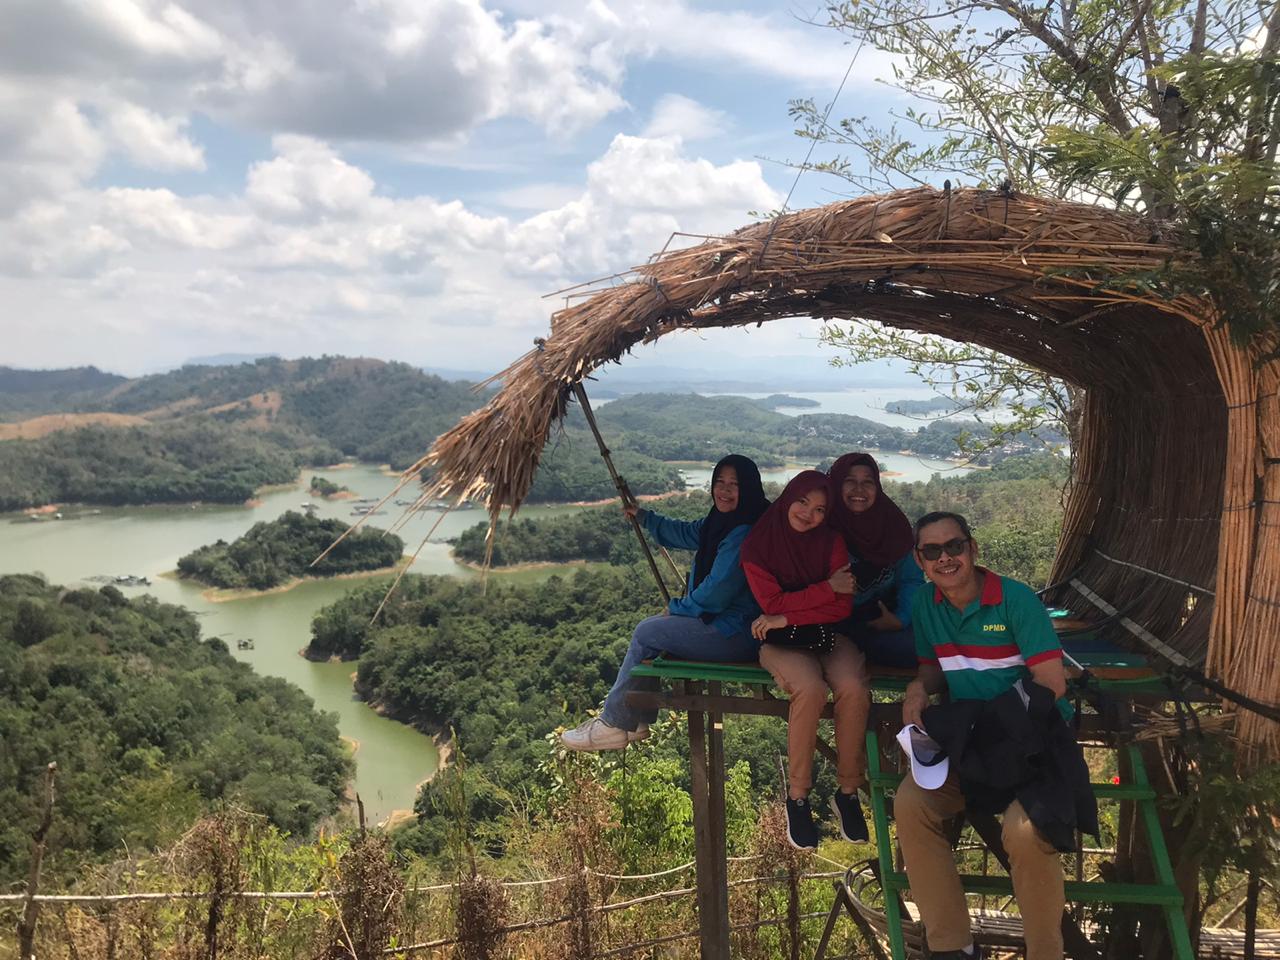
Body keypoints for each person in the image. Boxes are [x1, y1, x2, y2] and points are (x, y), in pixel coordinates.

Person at [897, 511, 1078, 960]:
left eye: (954, 546)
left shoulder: (1015, 600)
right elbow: (934, 667)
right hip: (972, 746)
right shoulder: (926, 605)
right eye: (932, 551)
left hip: (1033, 741)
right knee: (912, 804)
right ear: (920, 560)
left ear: (972, 549)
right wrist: (919, 689)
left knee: (1025, 832)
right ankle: (950, 946)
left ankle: (1045, 952)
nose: (945, 559)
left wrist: (989, 726)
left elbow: (1052, 683)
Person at [561, 455, 770, 751]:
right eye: (719, 482)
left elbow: (717, 592)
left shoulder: (744, 532)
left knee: (648, 632)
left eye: (734, 485)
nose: (724, 490)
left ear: (748, 488)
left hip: (736, 633)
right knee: (654, 631)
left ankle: (614, 723)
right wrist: (646, 518)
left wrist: (676, 608)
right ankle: (634, 722)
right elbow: (687, 532)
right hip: (726, 626)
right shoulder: (722, 522)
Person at [740, 470, 868, 849]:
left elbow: (842, 608)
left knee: (854, 688)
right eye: (802, 502)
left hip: (828, 634)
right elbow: (770, 606)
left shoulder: (831, 543)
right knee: (810, 689)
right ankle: (798, 796)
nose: (808, 514)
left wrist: (790, 613)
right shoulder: (758, 546)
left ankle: (847, 792)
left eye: (819, 509)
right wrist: (824, 589)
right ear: (787, 498)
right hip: (778, 641)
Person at [826, 452, 923, 668]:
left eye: (867, 482)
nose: (859, 490)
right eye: (850, 481)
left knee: (925, 649)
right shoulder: (820, 522)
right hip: (825, 626)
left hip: (880, 624)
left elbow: (911, 580)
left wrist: (900, 619)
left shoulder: (893, 525)